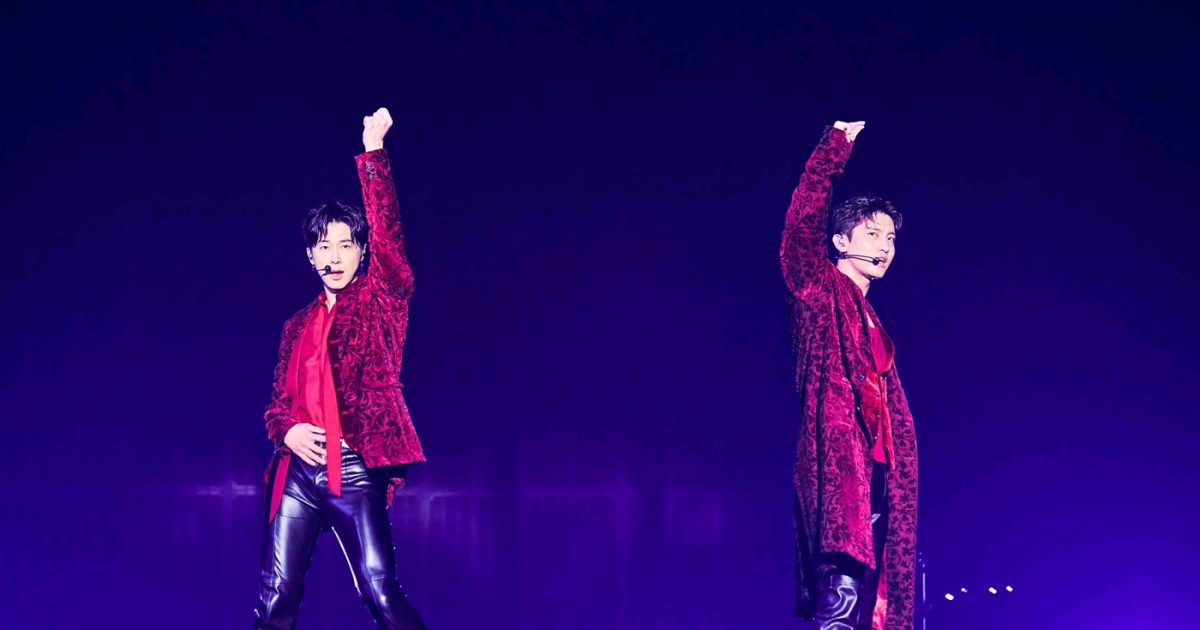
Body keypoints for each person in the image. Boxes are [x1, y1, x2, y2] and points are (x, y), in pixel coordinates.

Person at [255, 107, 428, 629]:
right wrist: (287, 431)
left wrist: (374, 154)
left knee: (379, 590)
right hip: (298, 472)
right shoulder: (296, 325)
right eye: (323, 246)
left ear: (361, 251)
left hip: (353, 467)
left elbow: (390, 239)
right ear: (310, 255)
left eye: (345, 245)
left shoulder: (381, 299)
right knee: (276, 594)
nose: (333, 256)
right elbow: (277, 405)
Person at [780, 121, 919, 630]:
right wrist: (835, 144)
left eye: (890, 237)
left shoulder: (872, 318)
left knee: (868, 597)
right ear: (841, 240)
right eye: (872, 234)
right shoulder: (817, 289)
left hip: (878, 472)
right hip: (840, 469)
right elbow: (801, 226)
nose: (885, 246)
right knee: (839, 587)